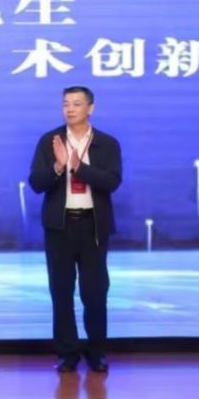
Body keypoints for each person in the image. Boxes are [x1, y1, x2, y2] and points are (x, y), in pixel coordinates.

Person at [26, 86, 123, 374]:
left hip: (93, 226)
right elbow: (36, 183)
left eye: (77, 104)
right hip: (60, 226)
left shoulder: (107, 143)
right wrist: (58, 166)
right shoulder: (50, 141)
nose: (70, 109)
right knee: (61, 291)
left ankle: (97, 352)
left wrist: (79, 167)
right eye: (66, 104)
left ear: (90, 108)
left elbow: (112, 182)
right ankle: (67, 354)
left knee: (95, 292)